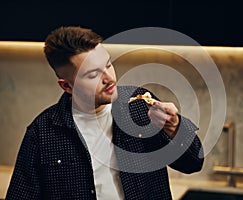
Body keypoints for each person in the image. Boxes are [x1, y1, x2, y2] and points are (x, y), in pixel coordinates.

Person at [6, 26, 204, 200]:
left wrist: (174, 126)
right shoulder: (42, 133)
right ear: (67, 86)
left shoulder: (140, 105)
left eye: (108, 64)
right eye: (93, 74)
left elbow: (193, 163)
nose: (109, 78)